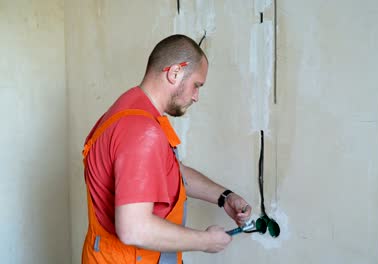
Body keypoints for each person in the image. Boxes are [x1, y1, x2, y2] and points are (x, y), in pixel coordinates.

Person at [81, 34, 252, 263]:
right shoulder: (141, 130)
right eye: (196, 85)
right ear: (174, 73)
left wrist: (224, 197)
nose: (196, 96)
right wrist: (206, 241)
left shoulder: (132, 110)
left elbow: (172, 172)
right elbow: (134, 228)